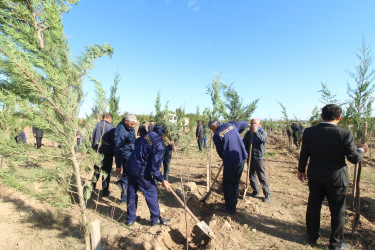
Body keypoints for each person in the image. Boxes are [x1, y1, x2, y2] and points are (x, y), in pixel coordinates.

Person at [298, 104, 367, 250]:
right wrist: (361, 149)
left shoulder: (309, 132)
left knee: (313, 206)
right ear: (339, 117)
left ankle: (312, 236)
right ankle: (336, 244)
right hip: (336, 179)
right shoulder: (345, 134)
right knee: (337, 211)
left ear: (321, 116)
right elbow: (353, 158)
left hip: (315, 176)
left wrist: (301, 170)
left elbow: (304, 153)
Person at [125, 125, 171, 226]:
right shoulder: (160, 147)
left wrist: (144, 154)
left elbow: (137, 142)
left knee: (132, 192)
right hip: (141, 170)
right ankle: (155, 219)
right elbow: (154, 169)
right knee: (151, 191)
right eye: (170, 140)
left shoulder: (150, 134)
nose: (170, 142)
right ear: (164, 136)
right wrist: (163, 180)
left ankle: (130, 219)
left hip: (131, 164)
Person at [209, 119, 248, 214]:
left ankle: (230, 208)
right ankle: (233, 202)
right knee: (236, 181)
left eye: (211, 129)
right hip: (241, 157)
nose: (212, 131)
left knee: (227, 184)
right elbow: (245, 124)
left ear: (214, 126)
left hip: (231, 161)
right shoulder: (231, 125)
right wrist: (237, 132)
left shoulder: (217, 135)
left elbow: (220, 151)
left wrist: (225, 158)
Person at [243, 118, 271, 202]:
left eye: (254, 123)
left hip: (259, 157)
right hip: (250, 157)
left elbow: (264, 140)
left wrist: (256, 132)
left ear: (259, 124)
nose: (253, 124)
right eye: (251, 123)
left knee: (261, 176)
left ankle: (267, 194)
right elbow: (244, 143)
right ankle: (256, 191)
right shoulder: (248, 133)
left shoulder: (262, 132)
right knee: (251, 174)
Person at [114, 114, 137, 203]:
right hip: (125, 155)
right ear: (126, 121)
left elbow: (133, 140)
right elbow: (118, 148)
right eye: (131, 124)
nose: (133, 126)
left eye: (134, 124)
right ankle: (124, 199)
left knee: (129, 175)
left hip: (131, 154)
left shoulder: (130, 128)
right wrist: (118, 165)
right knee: (126, 176)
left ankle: (127, 196)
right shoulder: (120, 130)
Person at [91, 113, 115, 197]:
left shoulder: (96, 125)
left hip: (97, 152)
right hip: (107, 153)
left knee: (96, 171)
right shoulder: (111, 127)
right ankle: (105, 191)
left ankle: (92, 188)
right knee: (106, 172)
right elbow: (113, 141)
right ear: (110, 119)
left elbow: (92, 138)